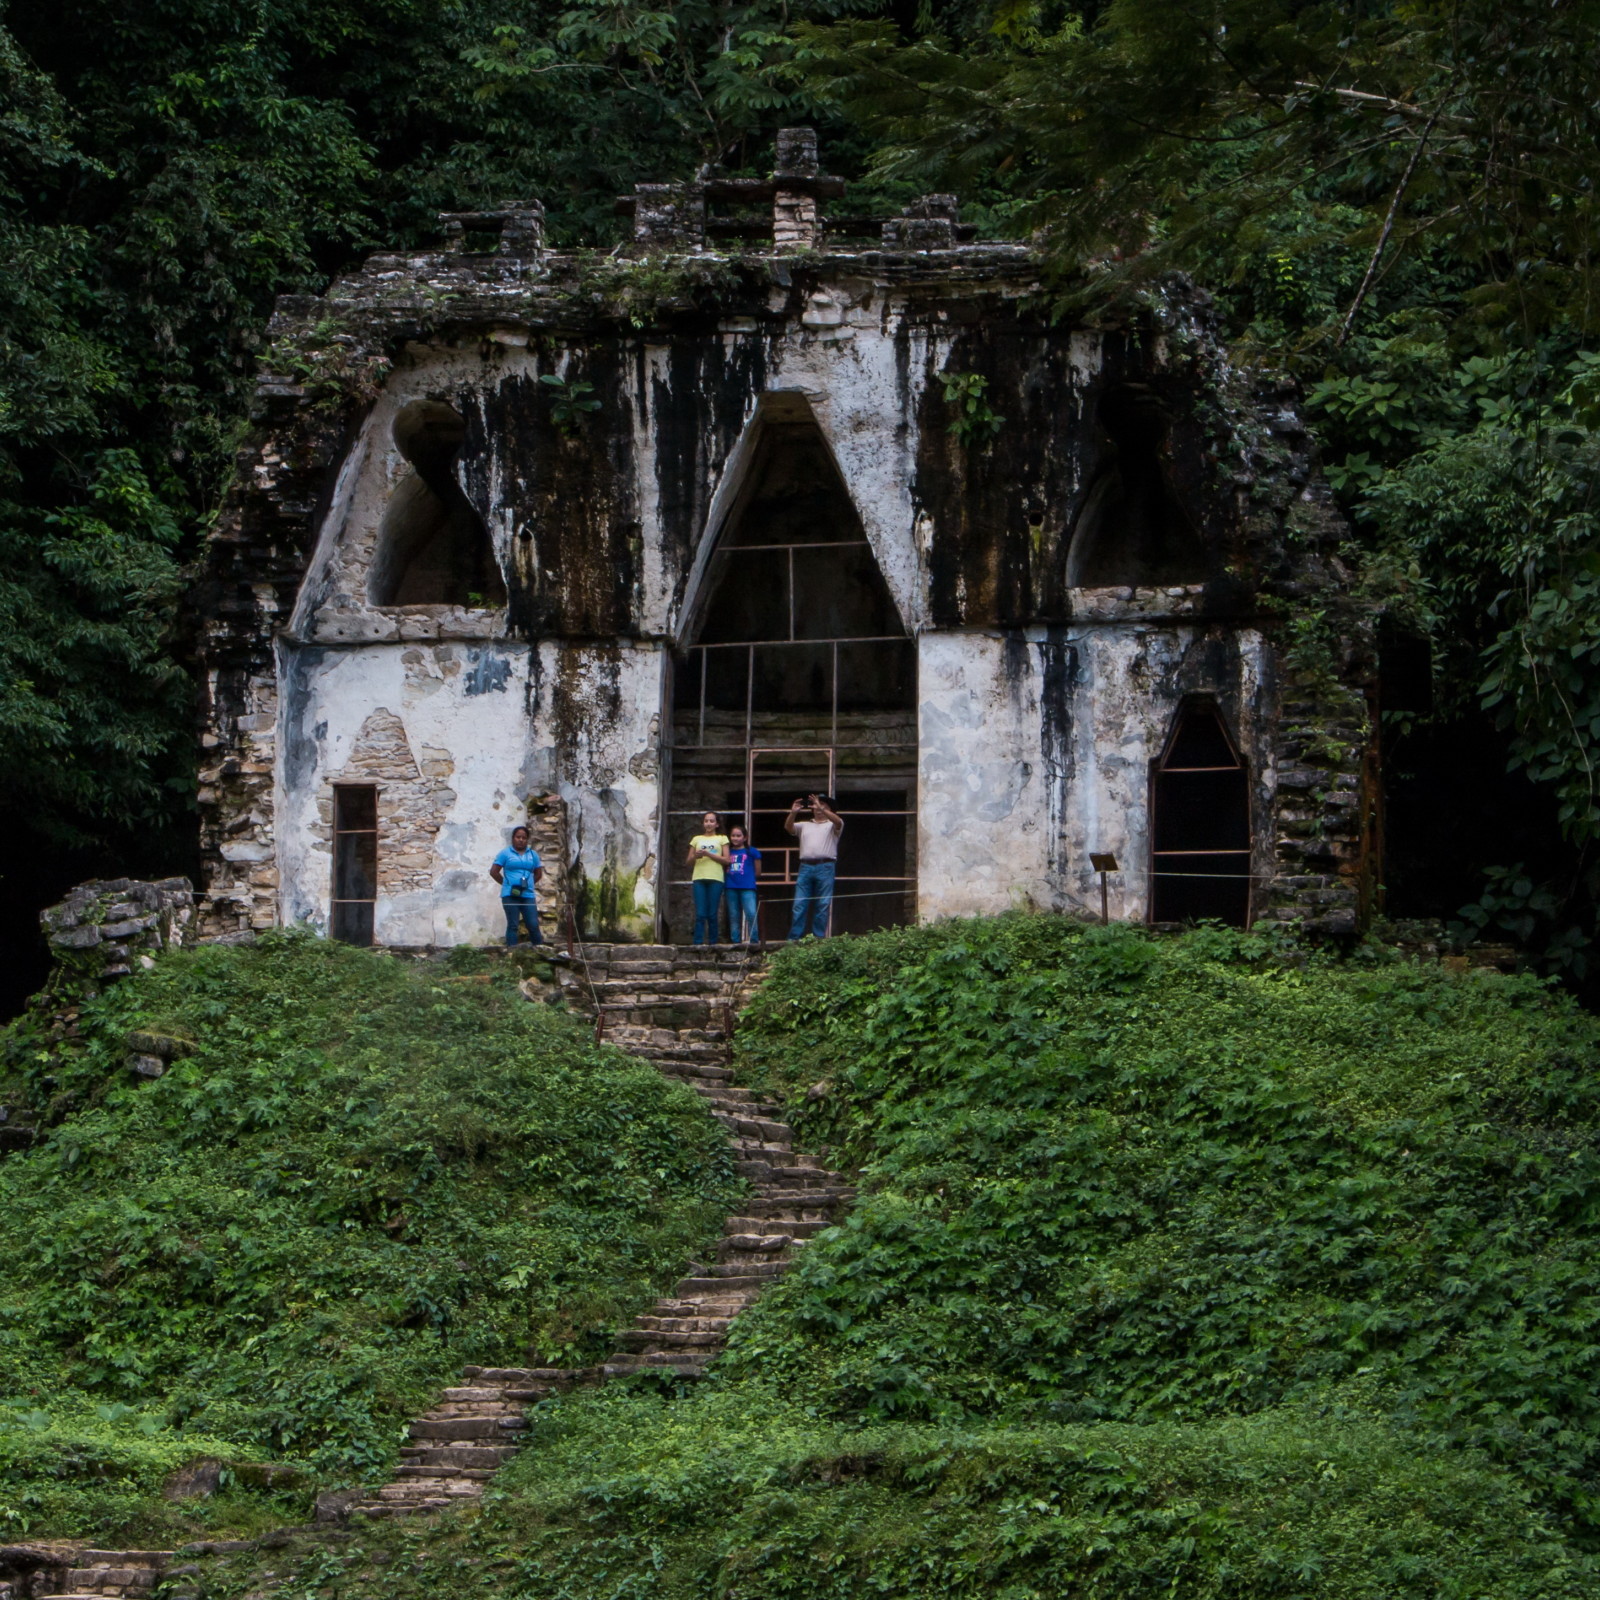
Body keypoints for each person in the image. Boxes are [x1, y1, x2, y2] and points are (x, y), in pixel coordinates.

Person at [785, 793, 843, 940]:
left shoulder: (832, 825)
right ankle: (794, 938)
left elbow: (838, 822)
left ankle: (818, 938)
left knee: (822, 904)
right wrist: (793, 813)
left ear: (829, 809)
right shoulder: (805, 825)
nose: (818, 808)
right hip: (805, 866)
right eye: (816, 806)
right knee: (799, 904)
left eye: (823, 806)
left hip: (825, 866)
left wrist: (822, 808)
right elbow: (789, 828)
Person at [491, 825, 545, 947]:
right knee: (513, 924)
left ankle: (540, 950)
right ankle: (512, 952)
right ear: (513, 838)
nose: (521, 840)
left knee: (533, 924)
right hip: (510, 894)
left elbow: (538, 873)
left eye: (524, 838)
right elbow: (494, 872)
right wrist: (506, 884)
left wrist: (528, 884)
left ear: (527, 840)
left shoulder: (533, 855)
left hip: (528, 894)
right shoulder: (505, 853)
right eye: (518, 837)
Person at [686, 811, 731, 946]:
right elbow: (688, 861)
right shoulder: (696, 839)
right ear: (703, 823)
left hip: (716, 878)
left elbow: (727, 860)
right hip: (699, 877)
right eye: (706, 821)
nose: (708, 824)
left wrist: (708, 854)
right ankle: (697, 943)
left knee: (712, 913)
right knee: (700, 913)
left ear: (717, 824)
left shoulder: (722, 838)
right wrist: (696, 856)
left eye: (712, 821)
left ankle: (713, 943)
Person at [724, 824, 763, 945]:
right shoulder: (727, 852)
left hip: (747, 887)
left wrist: (748, 879)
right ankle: (735, 941)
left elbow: (758, 871)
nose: (735, 838)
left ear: (745, 837)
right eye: (733, 836)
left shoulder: (752, 851)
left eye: (738, 835)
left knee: (751, 913)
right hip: (731, 886)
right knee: (734, 915)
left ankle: (754, 940)